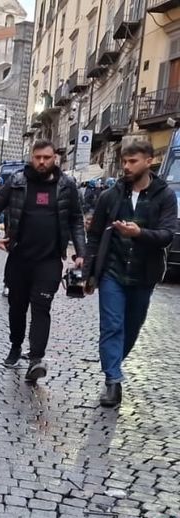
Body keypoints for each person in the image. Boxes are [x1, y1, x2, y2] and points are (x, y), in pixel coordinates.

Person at [0, 139, 86, 382]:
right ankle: (16, 345)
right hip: (19, 258)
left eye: (47, 157)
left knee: (42, 308)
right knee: (17, 308)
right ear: (32, 157)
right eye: (38, 157)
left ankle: (36, 359)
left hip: (49, 261)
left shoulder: (66, 185)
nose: (42, 162)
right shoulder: (17, 181)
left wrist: (81, 252)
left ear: (55, 158)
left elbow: (76, 220)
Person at [83, 140, 175, 407]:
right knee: (112, 326)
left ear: (148, 161)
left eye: (132, 161)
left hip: (144, 274)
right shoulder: (110, 196)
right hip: (113, 271)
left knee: (131, 327)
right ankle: (113, 381)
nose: (126, 166)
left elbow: (167, 235)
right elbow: (95, 236)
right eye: (124, 161)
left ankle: (113, 364)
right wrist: (88, 273)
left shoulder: (164, 196)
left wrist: (139, 233)